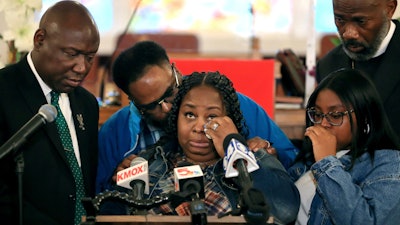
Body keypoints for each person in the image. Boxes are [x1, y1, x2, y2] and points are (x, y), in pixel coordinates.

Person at [96, 40, 299, 193]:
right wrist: (118, 180)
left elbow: (291, 159)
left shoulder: (232, 104)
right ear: (133, 100)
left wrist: (269, 156)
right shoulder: (116, 132)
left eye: (170, 92)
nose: (167, 108)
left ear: (175, 71)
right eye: (151, 106)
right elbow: (101, 196)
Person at [99, 71, 299, 224]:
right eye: (189, 115)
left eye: (212, 117)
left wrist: (232, 146)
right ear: (176, 119)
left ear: (230, 121)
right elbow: (109, 213)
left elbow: (285, 211)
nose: (198, 127)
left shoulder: (253, 159)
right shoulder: (146, 162)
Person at [0, 1, 100, 225]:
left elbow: (85, 182)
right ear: (40, 40)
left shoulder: (88, 104)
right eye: (71, 54)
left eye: (90, 57)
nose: (82, 67)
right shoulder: (4, 91)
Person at [288, 69, 400, 225]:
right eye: (317, 114)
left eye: (335, 115)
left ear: (365, 117)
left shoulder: (390, 164)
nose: (323, 124)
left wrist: (327, 163)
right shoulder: (310, 155)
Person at [316, 0, 400, 136]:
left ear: (389, 9)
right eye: (340, 20)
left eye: (361, 21)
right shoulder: (328, 65)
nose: (348, 33)